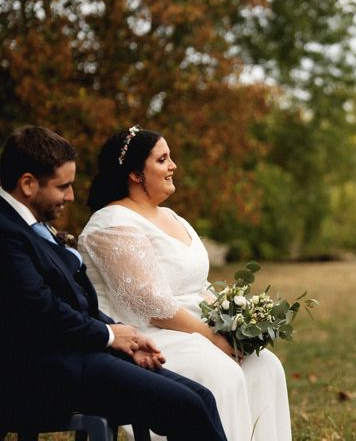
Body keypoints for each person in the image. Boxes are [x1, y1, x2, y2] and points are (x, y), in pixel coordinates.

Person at [0, 126, 227, 441]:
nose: (71, 196)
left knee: (200, 397)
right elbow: (42, 310)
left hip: (79, 354)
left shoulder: (32, 226)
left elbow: (76, 302)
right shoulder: (7, 232)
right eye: (63, 186)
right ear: (27, 183)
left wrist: (128, 337)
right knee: (185, 405)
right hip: (41, 371)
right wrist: (107, 335)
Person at [78, 126, 292, 441]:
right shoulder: (111, 224)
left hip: (194, 328)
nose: (173, 166)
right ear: (136, 174)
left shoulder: (172, 216)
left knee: (264, 366)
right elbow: (150, 304)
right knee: (220, 372)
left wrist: (233, 325)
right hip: (148, 339)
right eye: (163, 159)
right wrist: (212, 338)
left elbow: (198, 285)